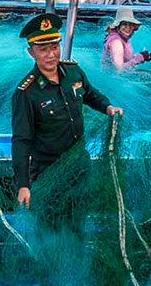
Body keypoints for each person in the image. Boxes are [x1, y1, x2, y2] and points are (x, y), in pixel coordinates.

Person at [11, 12, 123, 210]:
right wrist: (23, 185)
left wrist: (107, 107)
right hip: (48, 171)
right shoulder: (26, 93)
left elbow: (90, 94)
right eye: (43, 49)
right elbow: (21, 140)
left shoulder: (73, 72)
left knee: (78, 217)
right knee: (50, 222)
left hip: (79, 164)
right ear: (31, 52)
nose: (51, 54)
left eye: (54, 47)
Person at [102, 6, 151, 73]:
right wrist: (141, 57)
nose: (128, 27)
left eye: (130, 24)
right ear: (118, 25)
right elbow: (119, 70)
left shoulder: (122, 37)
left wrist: (145, 56)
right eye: (124, 24)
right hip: (114, 76)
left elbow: (125, 59)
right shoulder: (116, 42)